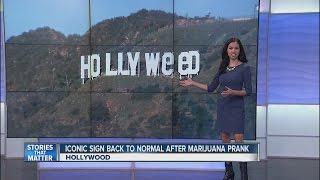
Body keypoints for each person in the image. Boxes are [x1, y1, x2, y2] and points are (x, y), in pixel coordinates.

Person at [180, 37, 252, 180]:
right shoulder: (222, 68)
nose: (233, 51)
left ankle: (244, 176)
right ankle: (229, 173)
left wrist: (234, 92)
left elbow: (248, 91)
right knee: (225, 142)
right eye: (231, 48)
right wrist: (193, 82)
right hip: (223, 108)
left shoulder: (244, 68)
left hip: (237, 108)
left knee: (239, 144)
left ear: (240, 50)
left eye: (236, 48)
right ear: (226, 50)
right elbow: (210, 88)